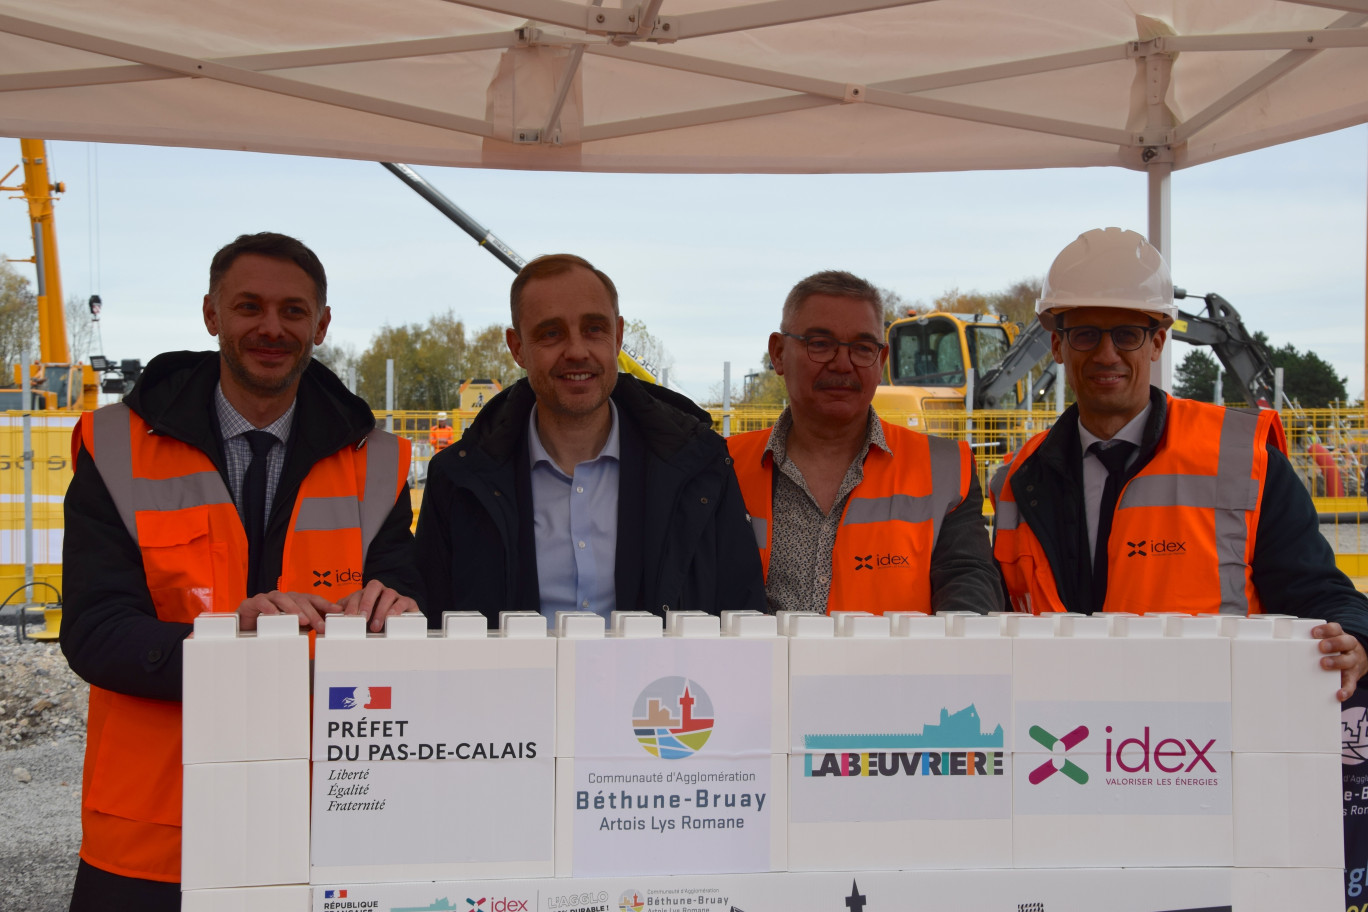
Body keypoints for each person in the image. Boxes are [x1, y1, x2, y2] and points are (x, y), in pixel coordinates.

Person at [60, 232, 423, 911]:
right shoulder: (115, 445)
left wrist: (399, 611)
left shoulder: (376, 463)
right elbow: (93, 630)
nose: (270, 327)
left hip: (323, 820)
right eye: (248, 306)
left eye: (292, 310)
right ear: (211, 315)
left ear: (321, 325)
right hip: (155, 831)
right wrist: (230, 642)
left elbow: (406, 594)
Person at [990, 227, 1368, 698]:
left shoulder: (1243, 461)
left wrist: (1355, 636)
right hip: (1062, 731)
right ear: (1058, 346)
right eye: (1085, 334)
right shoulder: (1017, 479)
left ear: (1157, 342)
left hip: (1201, 743)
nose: (1107, 354)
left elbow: (1320, 593)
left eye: (1127, 334)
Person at [415, 253, 765, 626]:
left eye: (594, 328)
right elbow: (430, 625)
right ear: (517, 348)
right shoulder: (457, 481)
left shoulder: (700, 467)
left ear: (618, 336)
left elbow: (742, 615)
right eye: (551, 333)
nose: (577, 351)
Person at [726, 270, 1004, 615]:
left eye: (862, 348)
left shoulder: (944, 471)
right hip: (754, 670)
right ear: (778, 353)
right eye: (820, 343)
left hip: (897, 670)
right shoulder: (723, 467)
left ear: (881, 361)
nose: (842, 364)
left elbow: (969, 590)